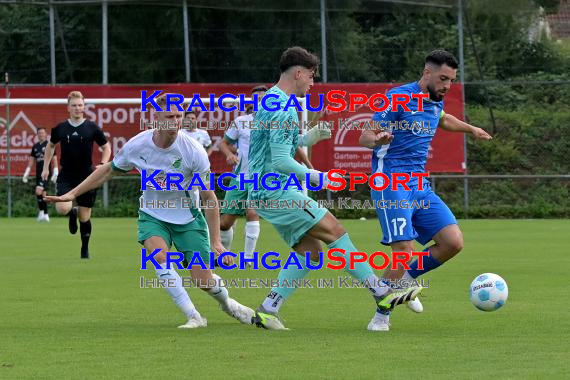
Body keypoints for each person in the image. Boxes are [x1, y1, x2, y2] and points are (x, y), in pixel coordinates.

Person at [247, 46, 422, 331]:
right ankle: (382, 293)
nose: (313, 83)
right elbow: (279, 160)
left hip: (265, 191)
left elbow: (275, 147)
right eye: (312, 77)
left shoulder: (271, 101)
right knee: (335, 231)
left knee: (311, 252)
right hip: (274, 191)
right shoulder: (282, 107)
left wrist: (309, 137)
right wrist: (319, 177)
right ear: (299, 73)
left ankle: (267, 311)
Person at [45, 94, 254, 329]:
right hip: (153, 214)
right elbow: (107, 170)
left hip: (188, 217)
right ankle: (194, 316)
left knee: (203, 281)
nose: (175, 122)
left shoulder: (193, 150)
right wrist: (72, 194)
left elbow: (209, 198)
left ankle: (228, 304)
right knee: (160, 257)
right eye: (169, 117)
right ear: (157, 118)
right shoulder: (138, 145)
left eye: (179, 116)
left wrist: (216, 241)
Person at [359, 49, 492, 330]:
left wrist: (472, 129)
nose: (447, 85)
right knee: (403, 251)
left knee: (453, 242)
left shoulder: (434, 101)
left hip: (419, 185)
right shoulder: (398, 97)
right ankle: (380, 317)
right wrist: (378, 138)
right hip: (391, 183)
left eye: (452, 81)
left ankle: (405, 278)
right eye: (443, 78)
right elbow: (364, 135)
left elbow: (443, 119)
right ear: (426, 73)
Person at [218, 85, 314, 265]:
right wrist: (229, 154)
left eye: (263, 99)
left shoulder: (278, 120)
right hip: (241, 177)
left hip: (263, 178)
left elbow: (295, 145)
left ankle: (247, 259)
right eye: (256, 99)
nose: (259, 102)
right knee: (225, 223)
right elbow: (224, 143)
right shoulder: (241, 121)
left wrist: (309, 167)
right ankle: (224, 255)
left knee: (252, 213)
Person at [42, 91, 112, 259]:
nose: (77, 108)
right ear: (68, 107)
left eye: (80, 105)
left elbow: (107, 148)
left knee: (85, 216)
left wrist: (102, 164)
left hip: (87, 176)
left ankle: (84, 248)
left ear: (84, 107)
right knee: (62, 208)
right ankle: (71, 211)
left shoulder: (92, 127)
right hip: (66, 175)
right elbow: (51, 146)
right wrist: (45, 167)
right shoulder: (60, 128)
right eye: (74, 105)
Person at [23, 127, 59, 222]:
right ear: (37, 134)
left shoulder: (49, 145)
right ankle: (45, 215)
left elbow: (54, 159)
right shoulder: (35, 146)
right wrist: (26, 173)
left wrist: (56, 172)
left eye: (43, 133)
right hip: (39, 174)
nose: (41, 134)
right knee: (43, 195)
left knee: (38, 191)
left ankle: (42, 212)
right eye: (39, 133)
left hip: (46, 173)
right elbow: (31, 161)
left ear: (46, 134)